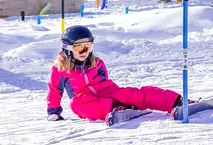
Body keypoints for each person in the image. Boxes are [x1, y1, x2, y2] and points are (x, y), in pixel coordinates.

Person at [46, 25, 183, 122]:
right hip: (87, 100)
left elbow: (105, 80)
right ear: (67, 49)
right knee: (76, 104)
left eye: (88, 47)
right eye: (79, 48)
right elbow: (54, 90)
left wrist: (116, 96)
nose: (85, 52)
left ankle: (176, 101)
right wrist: (54, 111)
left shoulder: (97, 62)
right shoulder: (60, 70)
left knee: (137, 94)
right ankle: (115, 109)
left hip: (109, 92)